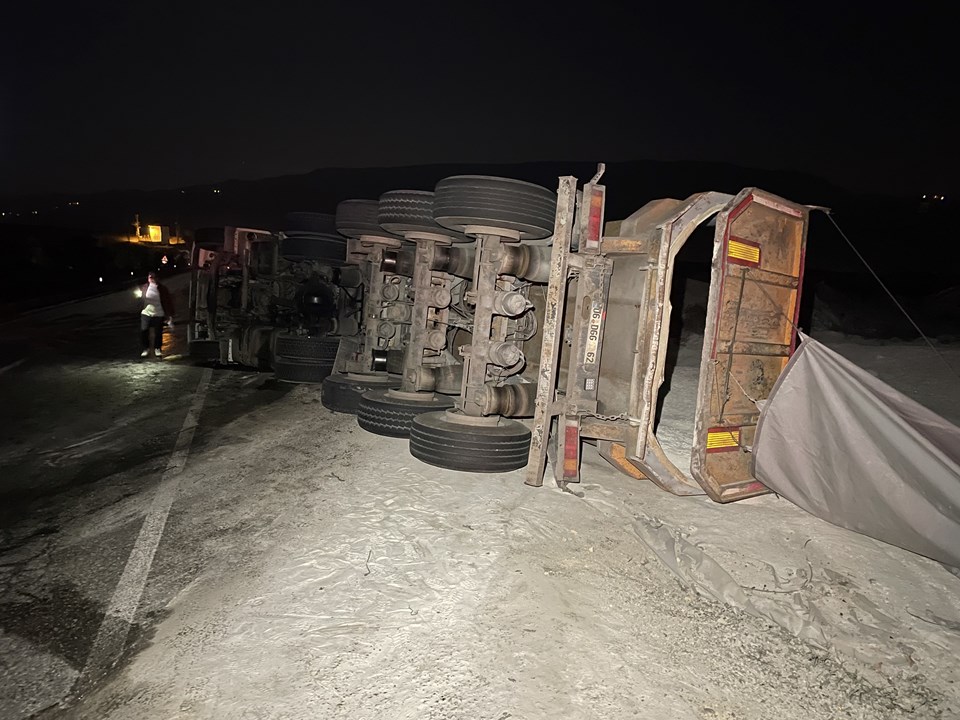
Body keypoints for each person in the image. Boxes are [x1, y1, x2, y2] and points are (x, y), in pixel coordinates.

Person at [140, 271, 175, 358]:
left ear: (156, 278)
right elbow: (141, 299)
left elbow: (167, 302)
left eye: (152, 278)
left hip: (158, 313)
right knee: (144, 331)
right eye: (149, 278)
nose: (150, 279)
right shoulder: (145, 287)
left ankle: (157, 348)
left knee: (158, 333)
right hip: (146, 313)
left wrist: (169, 316)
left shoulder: (162, 289)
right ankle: (146, 348)